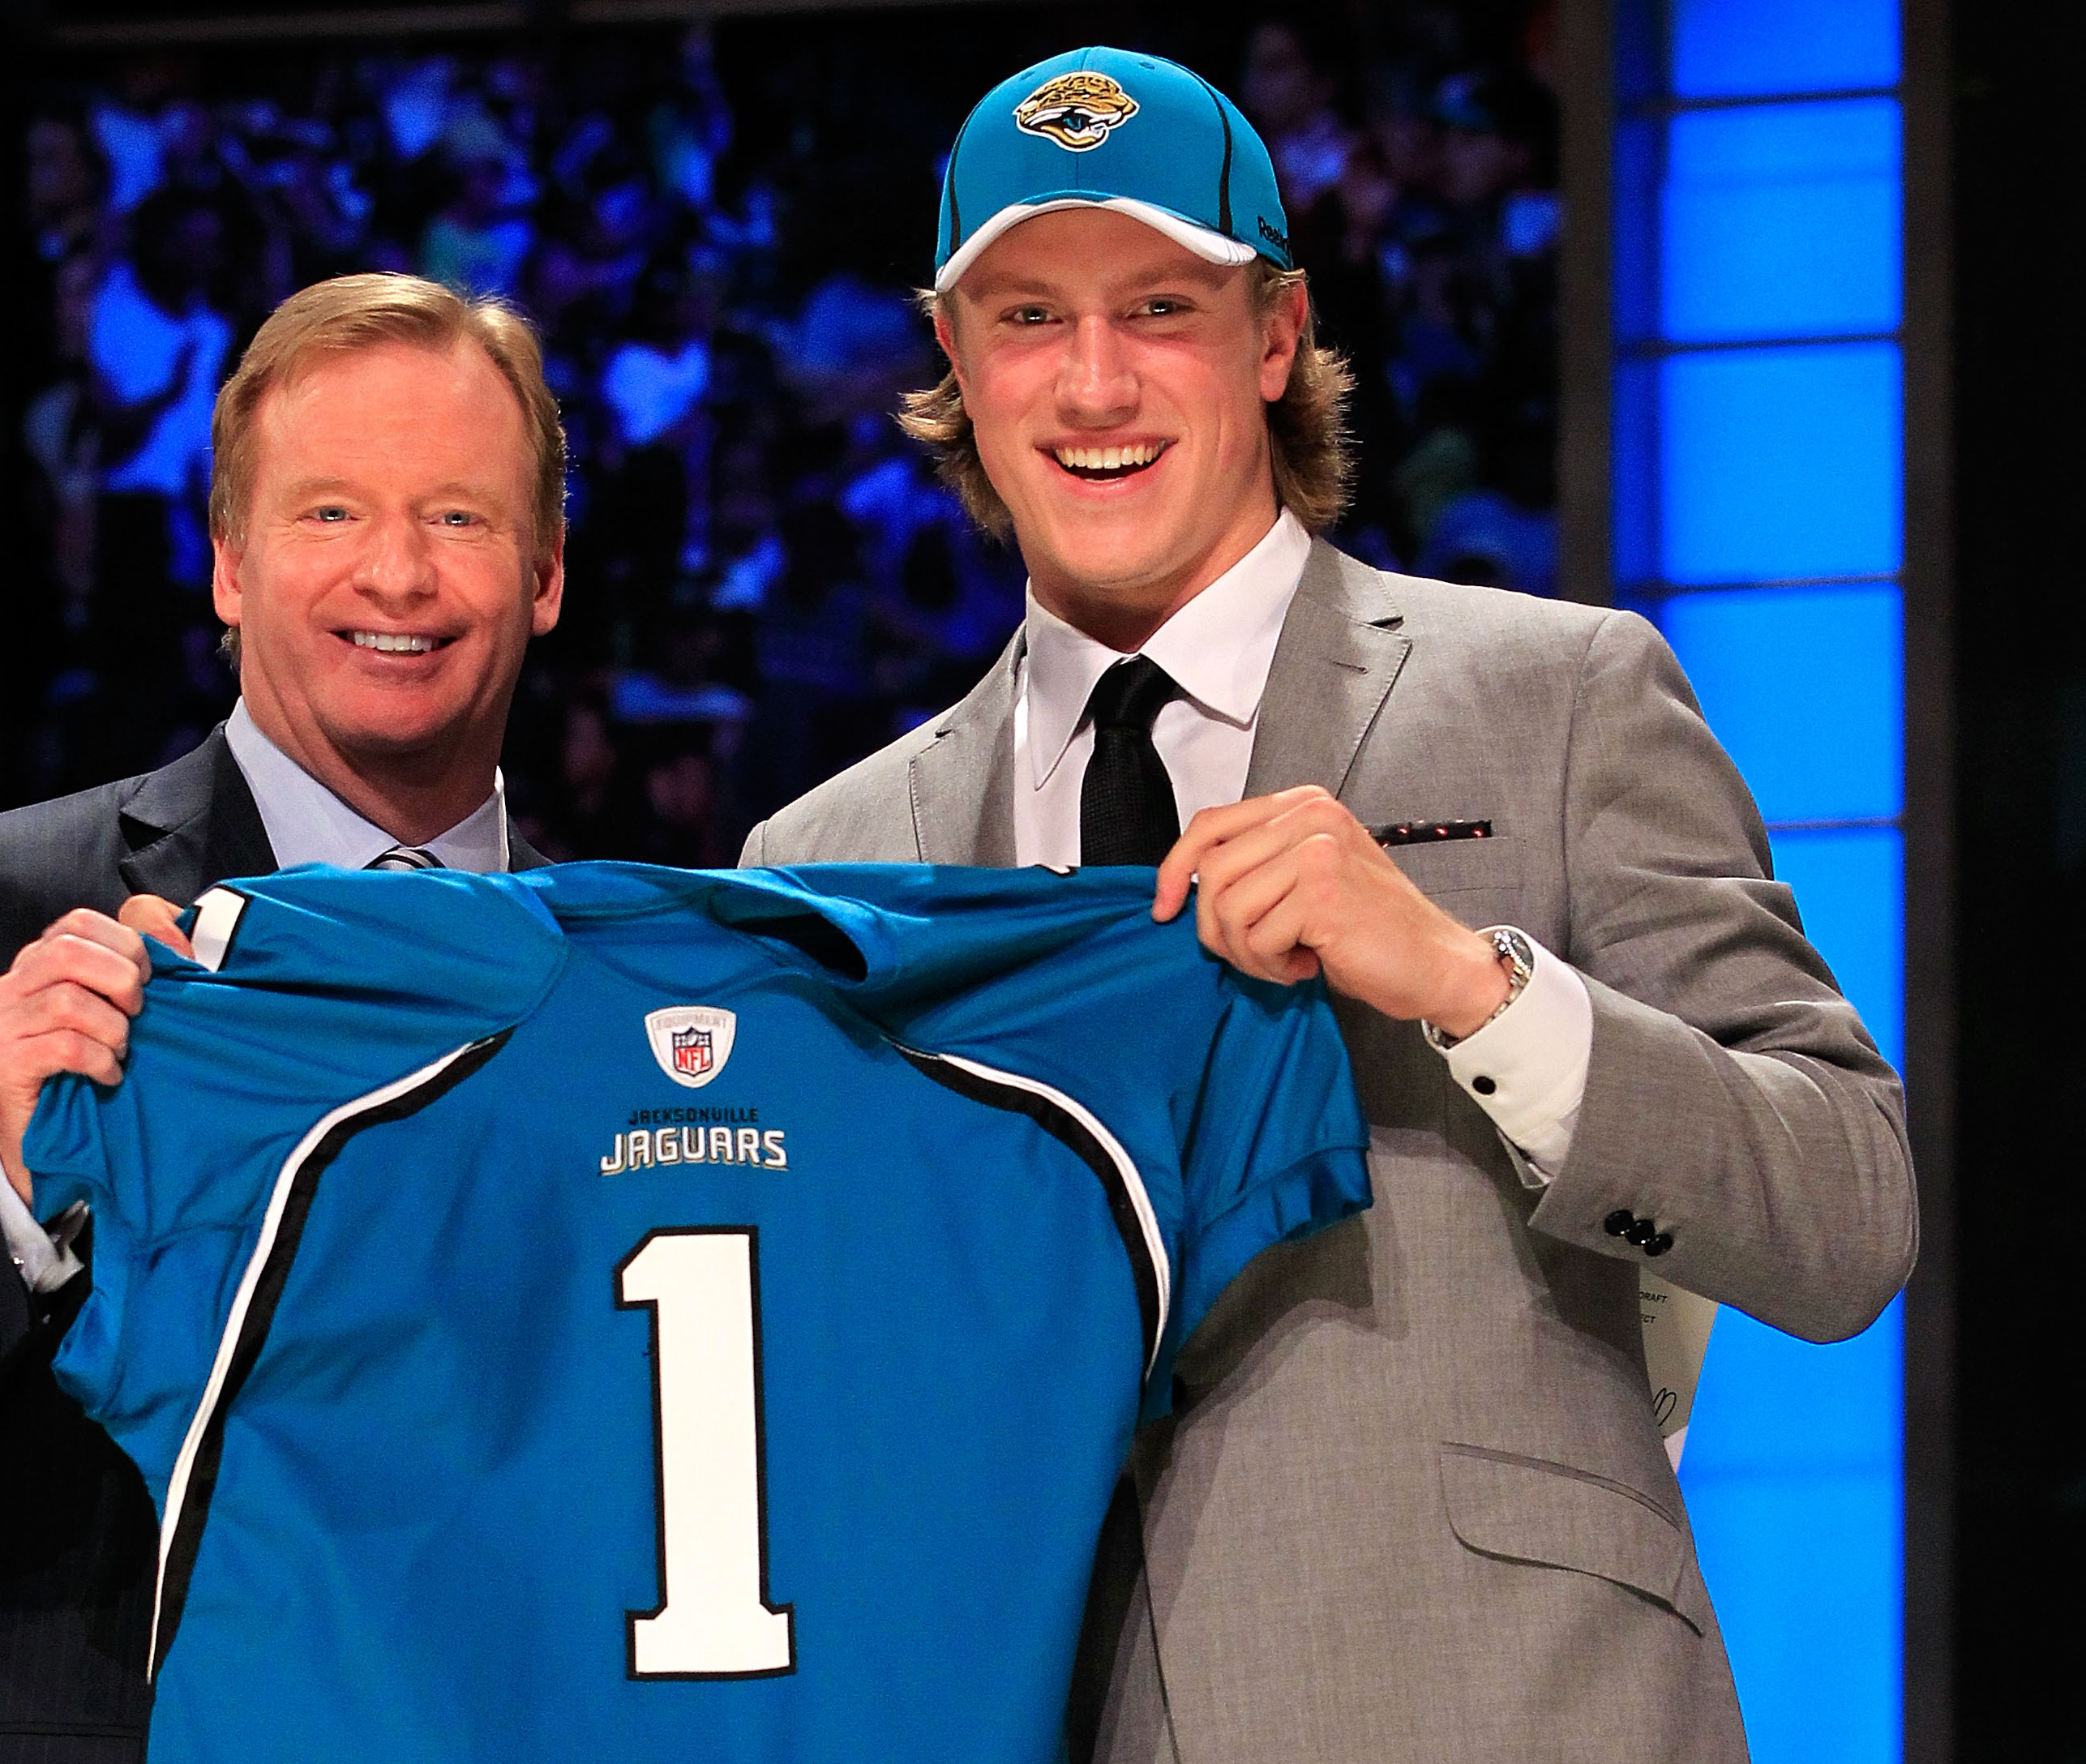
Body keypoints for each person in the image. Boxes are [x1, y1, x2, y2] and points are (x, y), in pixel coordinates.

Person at [739, 48, 1913, 1764]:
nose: (1093, 384)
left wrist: (1468, 979)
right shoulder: (820, 854)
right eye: (1029, 319)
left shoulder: (1564, 691)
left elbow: (1846, 1205)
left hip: (1502, 1708)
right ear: (954, 361)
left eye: (1158, 306)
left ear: (1275, 336)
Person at [0, 272, 566, 1762]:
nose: (399, 577)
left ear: (547, 571)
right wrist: (8, 1191)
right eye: (329, 514)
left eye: (459, 516)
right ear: (228, 565)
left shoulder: (623, 974)